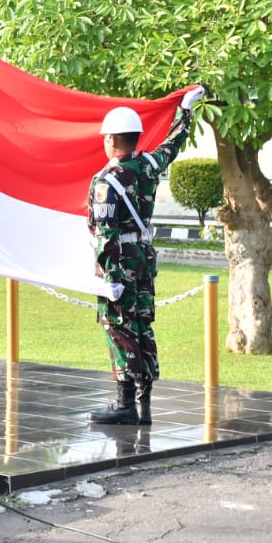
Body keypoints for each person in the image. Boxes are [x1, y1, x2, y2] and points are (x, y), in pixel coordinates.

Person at [87, 86, 204, 425]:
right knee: (142, 326)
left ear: (111, 139)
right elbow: (173, 145)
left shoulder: (107, 181)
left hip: (120, 261)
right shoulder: (149, 166)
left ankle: (125, 404)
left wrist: (109, 277)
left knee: (119, 327)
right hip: (142, 257)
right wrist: (185, 110)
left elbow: (105, 232)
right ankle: (145, 403)